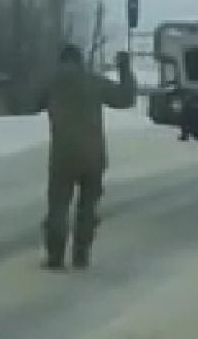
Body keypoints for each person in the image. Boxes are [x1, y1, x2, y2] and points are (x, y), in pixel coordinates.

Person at [32, 44, 137, 270]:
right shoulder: (93, 81)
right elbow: (125, 98)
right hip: (93, 155)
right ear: (80, 62)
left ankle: (56, 257)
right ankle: (81, 255)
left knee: (59, 206)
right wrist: (125, 69)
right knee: (87, 207)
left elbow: (27, 104)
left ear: (61, 61)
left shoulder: (53, 83)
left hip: (63, 155)